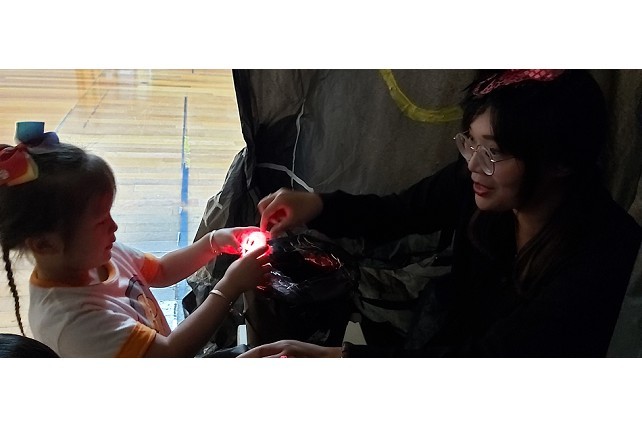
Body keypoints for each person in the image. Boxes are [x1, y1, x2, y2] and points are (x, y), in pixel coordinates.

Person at [239, 69, 642, 358]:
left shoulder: (604, 256)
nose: (473, 164)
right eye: (471, 142)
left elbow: (490, 361)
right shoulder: (483, 183)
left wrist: (342, 358)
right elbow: (399, 212)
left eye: (494, 150)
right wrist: (319, 204)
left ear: (560, 161)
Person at [0, 122, 271, 357]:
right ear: (45, 244)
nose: (114, 226)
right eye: (100, 221)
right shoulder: (73, 322)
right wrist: (229, 287)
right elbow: (170, 354)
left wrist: (213, 242)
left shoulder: (101, 255)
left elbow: (161, 271)